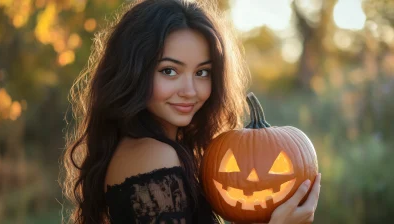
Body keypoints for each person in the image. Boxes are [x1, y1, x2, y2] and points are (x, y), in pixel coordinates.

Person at [61, 0, 322, 223]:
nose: (190, 90)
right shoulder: (154, 156)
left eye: (202, 72)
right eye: (169, 71)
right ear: (134, 72)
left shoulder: (147, 148)